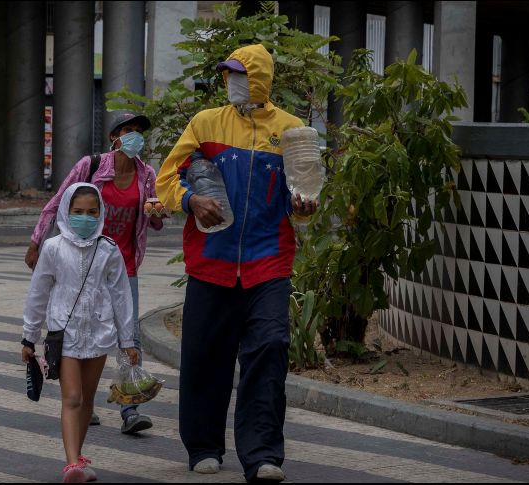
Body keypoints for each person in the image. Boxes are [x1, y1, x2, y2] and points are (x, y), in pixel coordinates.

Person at [155, 44, 318, 483]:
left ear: (260, 78)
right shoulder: (205, 123)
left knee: (270, 348)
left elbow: (301, 193)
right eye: (228, 74)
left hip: (269, 262)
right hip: (212, 262)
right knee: (205, 356)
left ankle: (263, 455)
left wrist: (304, 207)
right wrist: (191, 201)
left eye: (240, 74)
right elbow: (168, 178)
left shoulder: (291, 129)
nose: (232, 82)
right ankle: (203, 446)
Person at [25, 112, 165, 434]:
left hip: (124, 263)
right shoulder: (91, 166)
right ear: (114, 136)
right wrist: (36, 241)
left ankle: (131, 408)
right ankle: (84, 403)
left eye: (139, 131)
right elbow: (58, 202)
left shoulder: (146, 174)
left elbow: (155, 221)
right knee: (83, 328)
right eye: (128, 130)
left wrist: (157, 210)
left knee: (130, 334)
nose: (135, 137)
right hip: (83, 260)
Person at [21, 182, 140, 483]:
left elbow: (121, 296)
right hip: (65, 334)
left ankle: (78, 457)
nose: (84, 218)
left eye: (91, 212)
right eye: (78, 211)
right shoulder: (53, 248)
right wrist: (29, 336)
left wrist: (128, 340)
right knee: (72, 397)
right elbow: (38, 293)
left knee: (87, 400)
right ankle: (72, 464)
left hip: (100, 334)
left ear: (101, 213)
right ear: (66, 211)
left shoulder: (109, 249)